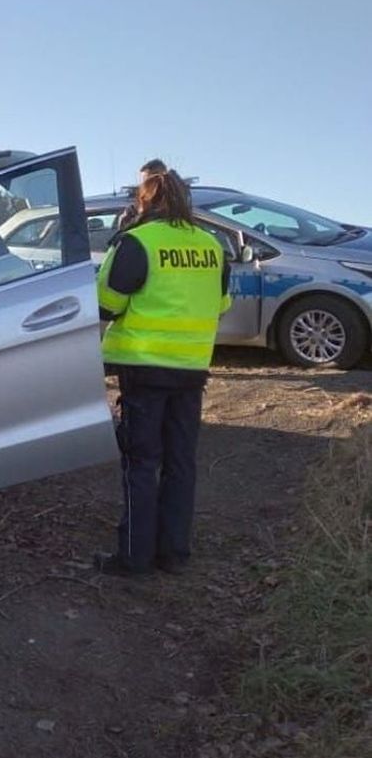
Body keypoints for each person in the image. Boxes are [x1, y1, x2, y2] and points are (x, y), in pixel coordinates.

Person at [94, 169, 231, 576]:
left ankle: (135, 558)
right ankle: (174, 554)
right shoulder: (212, 245)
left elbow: (107, 304)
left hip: (144, 368)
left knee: (140, 462)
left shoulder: (137, 242)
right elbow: (221, 305)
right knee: (180, 462)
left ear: (143, 201)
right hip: (191, 370)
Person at [113, 158, 168, 234]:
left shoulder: (179, 211)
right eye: (144, 182)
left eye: (149, 180)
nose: (146, 186)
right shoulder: (132, 214)